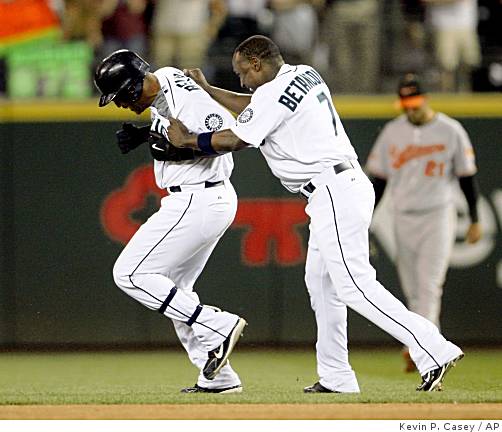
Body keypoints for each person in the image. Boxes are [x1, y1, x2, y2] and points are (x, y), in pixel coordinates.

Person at [166, 35, 464, 393]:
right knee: (322, 285)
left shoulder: (272, 93)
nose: (241, 79)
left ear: (258, 64)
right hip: (339, 186)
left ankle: (433, 348)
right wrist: (210, 89)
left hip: (333, 189)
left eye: (242, 71)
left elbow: (236, 139)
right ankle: (337, 376)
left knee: (355, 285)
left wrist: (188, 142)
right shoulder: (302, 73)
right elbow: (255, 105)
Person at [94, 49, 246, 393]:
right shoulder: (165, 76)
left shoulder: (186, 102)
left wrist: (185, 147)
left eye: (119, 97)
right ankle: (219, 378)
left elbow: (233, 138)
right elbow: (171, 127)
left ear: (134, 87)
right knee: (177, 292)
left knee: (129, 274)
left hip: (198, 198)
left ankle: (218, 324)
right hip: (202, 197)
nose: (119, 105)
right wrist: (148, 135)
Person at [366, 73, 482, 372]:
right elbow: (378, 181)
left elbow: (467, 177)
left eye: (415, 103)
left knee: (430, 286)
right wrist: (365, 220)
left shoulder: (450, 130)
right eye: (406, 104)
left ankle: (422, 349)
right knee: (414, 290)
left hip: (437, 215)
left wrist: (475, 219)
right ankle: (427, 346)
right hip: (402, 216)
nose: (410, 109)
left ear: (426, 99)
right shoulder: (393, 131)